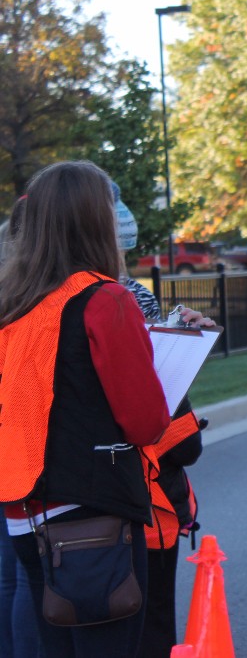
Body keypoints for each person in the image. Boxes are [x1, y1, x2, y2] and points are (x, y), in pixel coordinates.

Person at [0, 161, 171, 658]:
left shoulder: (16, 303)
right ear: (95, 220)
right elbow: (145, 421)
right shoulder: (107, 300)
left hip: (24, 511)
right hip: (92, 513)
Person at [111, 185, 211, 658]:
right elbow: (167, 429)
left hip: (56, 508)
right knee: (149, 624)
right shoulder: (121, 299)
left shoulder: (33, 298)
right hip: (144, 498)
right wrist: (178, 357)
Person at [0, 196, 42, 658]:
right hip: (23, 452)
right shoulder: (34, 301)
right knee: (31, 578)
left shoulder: (11, 293)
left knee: (10, 574)